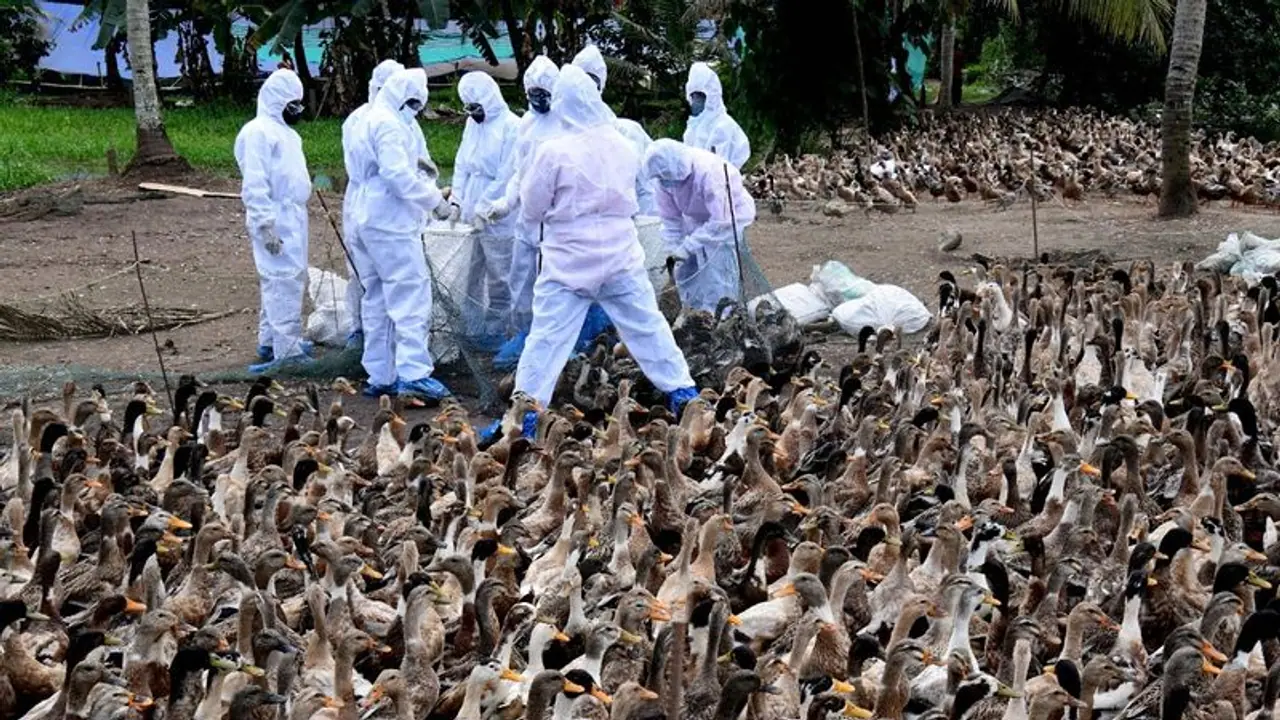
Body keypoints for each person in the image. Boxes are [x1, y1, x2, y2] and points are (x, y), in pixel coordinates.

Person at [512, 65, 697, 432]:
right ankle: (683, 393)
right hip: (619, 255)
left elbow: (532, 204)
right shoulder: (623, 144)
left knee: (547, 338)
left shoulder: (553, 151)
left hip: (569, 260)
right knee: (647, 326)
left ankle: (527, 415)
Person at [348, 68, 453, 400]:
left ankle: (380, 374)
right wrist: (434, 200)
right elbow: (397, 176)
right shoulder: (389, 124)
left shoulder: (367, 117)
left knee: (376, 296)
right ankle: (414, 373)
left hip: (365, 216)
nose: (415, 110)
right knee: (410, 294)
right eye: (413, 102)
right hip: (389, 220)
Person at [483, 56, 560, 370]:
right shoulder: (527, 124)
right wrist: (506, 203)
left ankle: (551, 344)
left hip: (557, 222)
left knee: (552, 285)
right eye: (533, 93)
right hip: (527, 221)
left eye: (543, 92)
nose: (538, 99)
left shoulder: (567, 123)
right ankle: (522, 336)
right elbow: (520, 171)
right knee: (521, 280)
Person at [234, 68, 313, 373]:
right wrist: (265, 223)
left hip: (293, 215)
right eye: (292, 105)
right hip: (275, 216)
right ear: (276, 100)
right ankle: (287, 350)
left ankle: (270, 341)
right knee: (283, 281)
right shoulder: (258, 132)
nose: (296, 111)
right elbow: (254, 182)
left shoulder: (287, 133)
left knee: (288, 277)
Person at [643, 139, 757, 312]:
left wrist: (688, 246)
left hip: (727, 221)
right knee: (687, 271)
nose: (665, 181)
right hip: (697, 220)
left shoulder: (709, 172)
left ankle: (722, 317)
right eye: (661, 178)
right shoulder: (663, 181)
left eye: (667, 177)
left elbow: (720, 221)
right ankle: (694, 315)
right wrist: (675, 250)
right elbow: (670, 220)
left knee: (717, 273)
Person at [341, 59, 405, 350]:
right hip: (370, 201)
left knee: (382, 275)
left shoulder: (401, 119)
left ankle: (381, 337)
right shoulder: (361, 120)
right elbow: (393, 171)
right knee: (362, 271)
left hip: (376, 202)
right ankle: (359, 328)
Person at [453, 71, 519, 352]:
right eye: (468, 108)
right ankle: (473, 326)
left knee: (501, 273)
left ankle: (499, 328)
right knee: (471, 271)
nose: (473, 113)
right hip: (471, 206)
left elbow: (507, 173)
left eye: (476, 108)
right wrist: (457, 200)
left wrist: (485, 208)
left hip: (499, 211)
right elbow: (462, 164)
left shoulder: (511, 127)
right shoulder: (472, 126)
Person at [571, 45, 658, 215]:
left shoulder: (628, 132)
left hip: (620, 230)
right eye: (581, 80)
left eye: (591, 82)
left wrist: (645, 230)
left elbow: (648, 189)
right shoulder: (554, 132)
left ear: (600, 85)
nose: (586, 88)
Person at [683, 62, 750, 170]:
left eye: (700, 96)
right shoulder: (693, 127)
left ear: (711, 96)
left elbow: (720, 170)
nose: (696, 101)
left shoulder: (723, 126)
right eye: (693, 96)